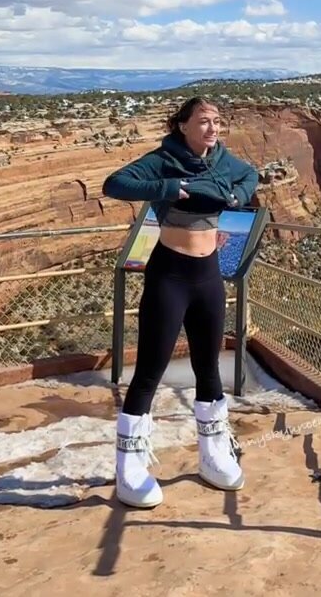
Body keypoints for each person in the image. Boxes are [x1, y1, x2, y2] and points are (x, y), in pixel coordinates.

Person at [102, 96, 259, 508]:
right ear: (183, 126)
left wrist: (238, 198)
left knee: (208, 367)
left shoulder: (223, 160)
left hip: (208, 277)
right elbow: (115, 184)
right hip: (169, 275)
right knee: (150, 369)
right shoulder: (163, 160)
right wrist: (169, 188)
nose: (213, 129)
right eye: (204, 122)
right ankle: (129, 467)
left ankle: (213, 453)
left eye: (218, 121)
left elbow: (250, 176)